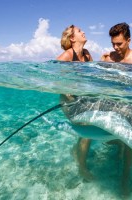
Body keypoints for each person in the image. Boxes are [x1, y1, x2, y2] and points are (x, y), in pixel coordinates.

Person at [101, 22, 132, 195]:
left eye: (119, 44)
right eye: (113, 43)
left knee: (130, 138)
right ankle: (117, 145)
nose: (115, 47)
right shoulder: (107, 58)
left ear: (128, 40)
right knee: (110, 133)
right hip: (114, 100)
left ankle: (125, 177)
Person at [56, 25, 94, 181]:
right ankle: (82, 168)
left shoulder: (87, 54)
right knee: (87, 131)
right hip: (69, 103)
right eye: (79, 31)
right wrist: (65, 89)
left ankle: (76, 152)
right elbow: (54, 77)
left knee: (92, 128)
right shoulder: (66, 56)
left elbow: (94, 75)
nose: (83, 32)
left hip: (83, 99)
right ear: (72, 38)